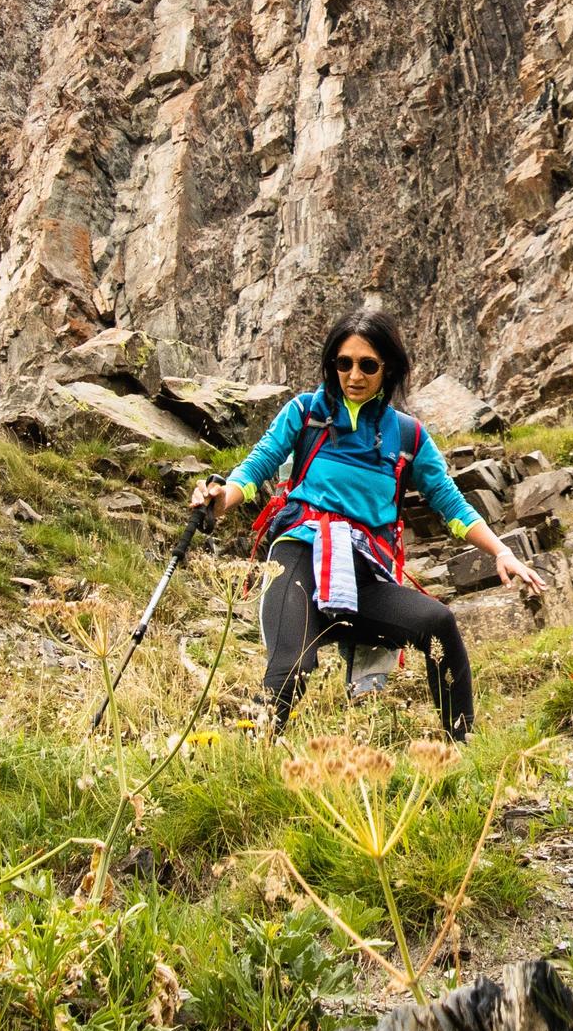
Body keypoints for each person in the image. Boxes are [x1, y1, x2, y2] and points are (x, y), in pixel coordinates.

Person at [192, 310, 542, 740]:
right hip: (298, 554)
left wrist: (501, 551)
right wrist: (221, 498)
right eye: (344, 363)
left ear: (388, 368)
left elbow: (448, 502)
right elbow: (257, 465)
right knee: (291, 667)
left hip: (363, 573)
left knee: (438, 622)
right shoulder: (305, 412)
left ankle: (463, 741)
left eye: (367, 365)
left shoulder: (408, 436)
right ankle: (249, 762)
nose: (353, 375)